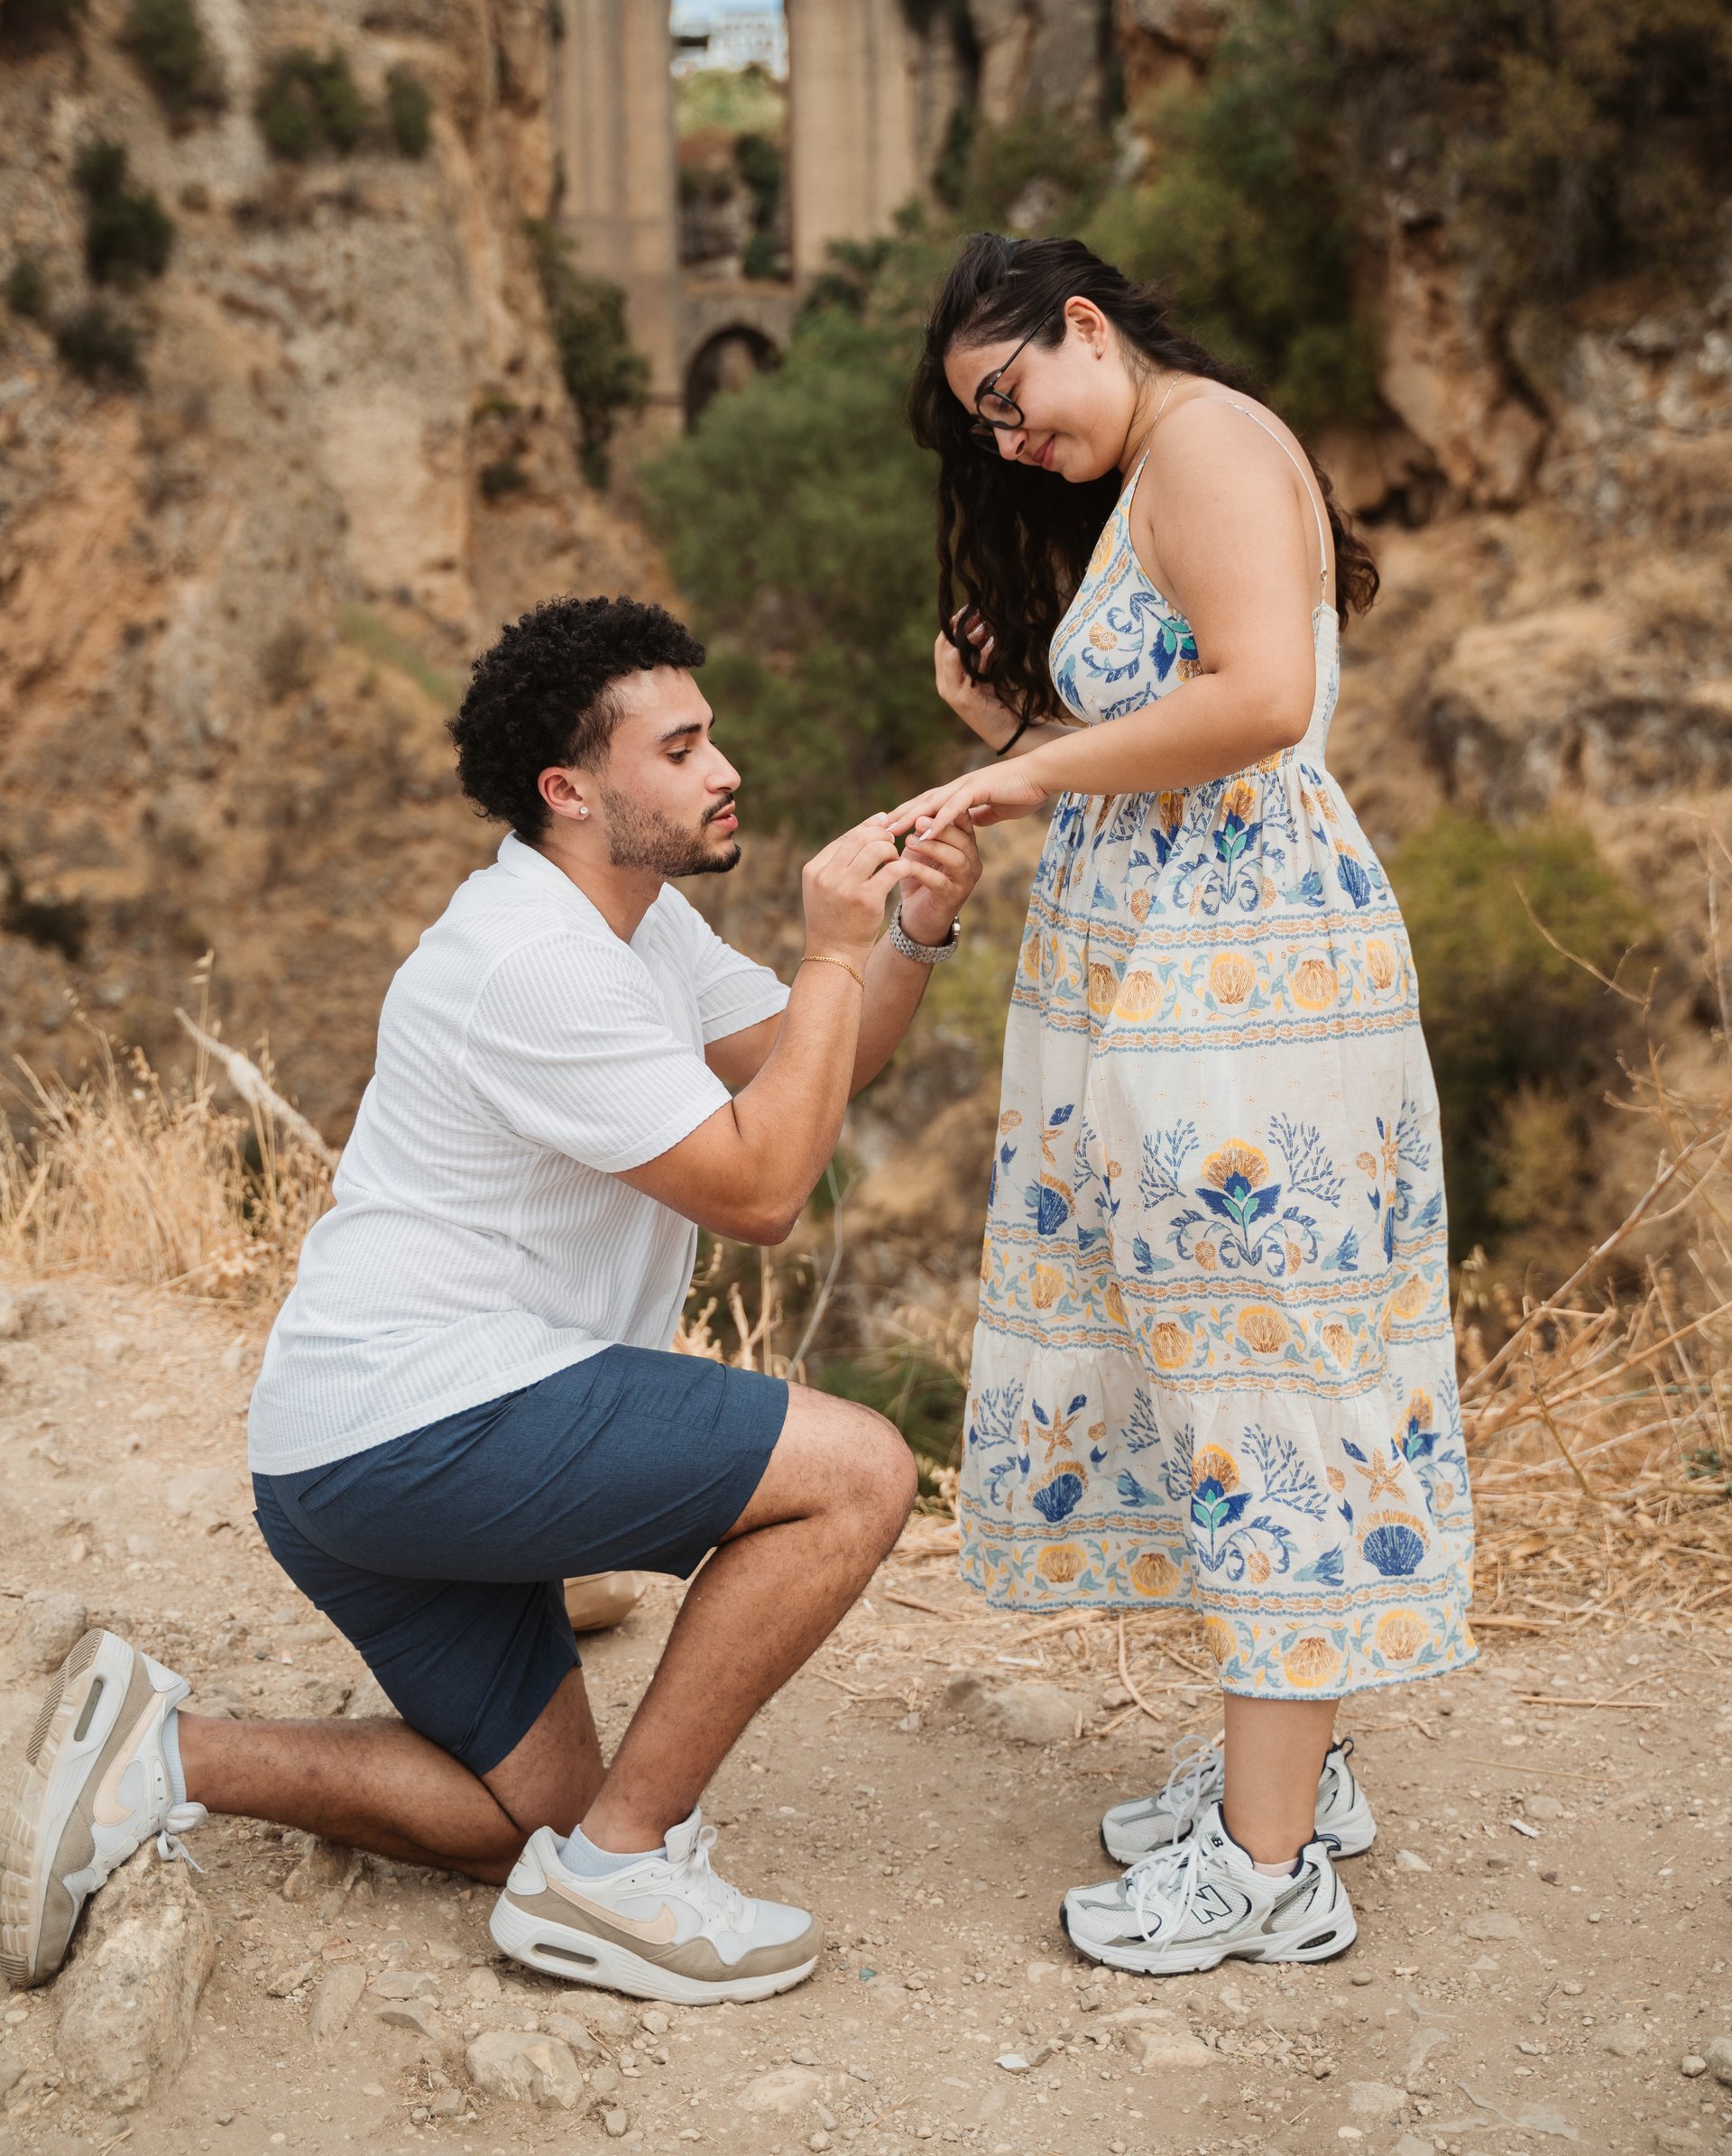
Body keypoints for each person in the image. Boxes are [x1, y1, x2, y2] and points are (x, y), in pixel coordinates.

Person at [1, 594, 981, 2004]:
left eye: (710, 737)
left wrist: (907, 939)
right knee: (860, 1472)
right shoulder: (535, 964)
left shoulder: (632, 920)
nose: (724, 771)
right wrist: (831, 947)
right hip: (425, 1430)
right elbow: (765, 1191)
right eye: (681, 749)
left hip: (344, 1454)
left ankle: (159, 1755)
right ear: (570, 790)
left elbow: (807, 1066)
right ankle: (624, 1877)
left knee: (532, 1820)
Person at [892, 235, 1475, 1976]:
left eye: (1009, 397)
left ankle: (1272, 1870)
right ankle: (1298, 1774)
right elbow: (1172, 740)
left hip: (1242, 998)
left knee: (1261, 1379)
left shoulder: (1206, 440)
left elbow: (1263, 702)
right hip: (1190, 975)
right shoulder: (1160, 467)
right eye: (985, 428)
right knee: (1231, 1368)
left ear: (1085, 325)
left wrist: (1015, 780)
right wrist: (1014, 717)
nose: (1010, 440)